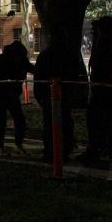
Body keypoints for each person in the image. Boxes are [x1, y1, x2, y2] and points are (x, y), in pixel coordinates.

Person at [79, 16, 112, 162]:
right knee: (99, 120)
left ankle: (103, 148)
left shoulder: (109, 45)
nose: (94, 32)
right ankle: (99, 148)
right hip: (102, 88)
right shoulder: (101, 44)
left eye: (96, 29)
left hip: (104, 89)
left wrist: (104, 76)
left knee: (102, 120)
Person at [34, 34, 86, 162]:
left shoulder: (45, 55)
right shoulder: (69, 55)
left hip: (48, 94)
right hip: (65, 94)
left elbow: (38, 76)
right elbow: (75, 74)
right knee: (65, 122)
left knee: (49, 123)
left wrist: (38, 94)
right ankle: (65, 149)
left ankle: (50, 151)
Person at [0, 41, 35, 156]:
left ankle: (1, 146)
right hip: (8, 95)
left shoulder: (0, 59)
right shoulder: (19, 61)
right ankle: (16, 144)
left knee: (1, 121)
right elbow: (33, 69)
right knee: (18, 120)